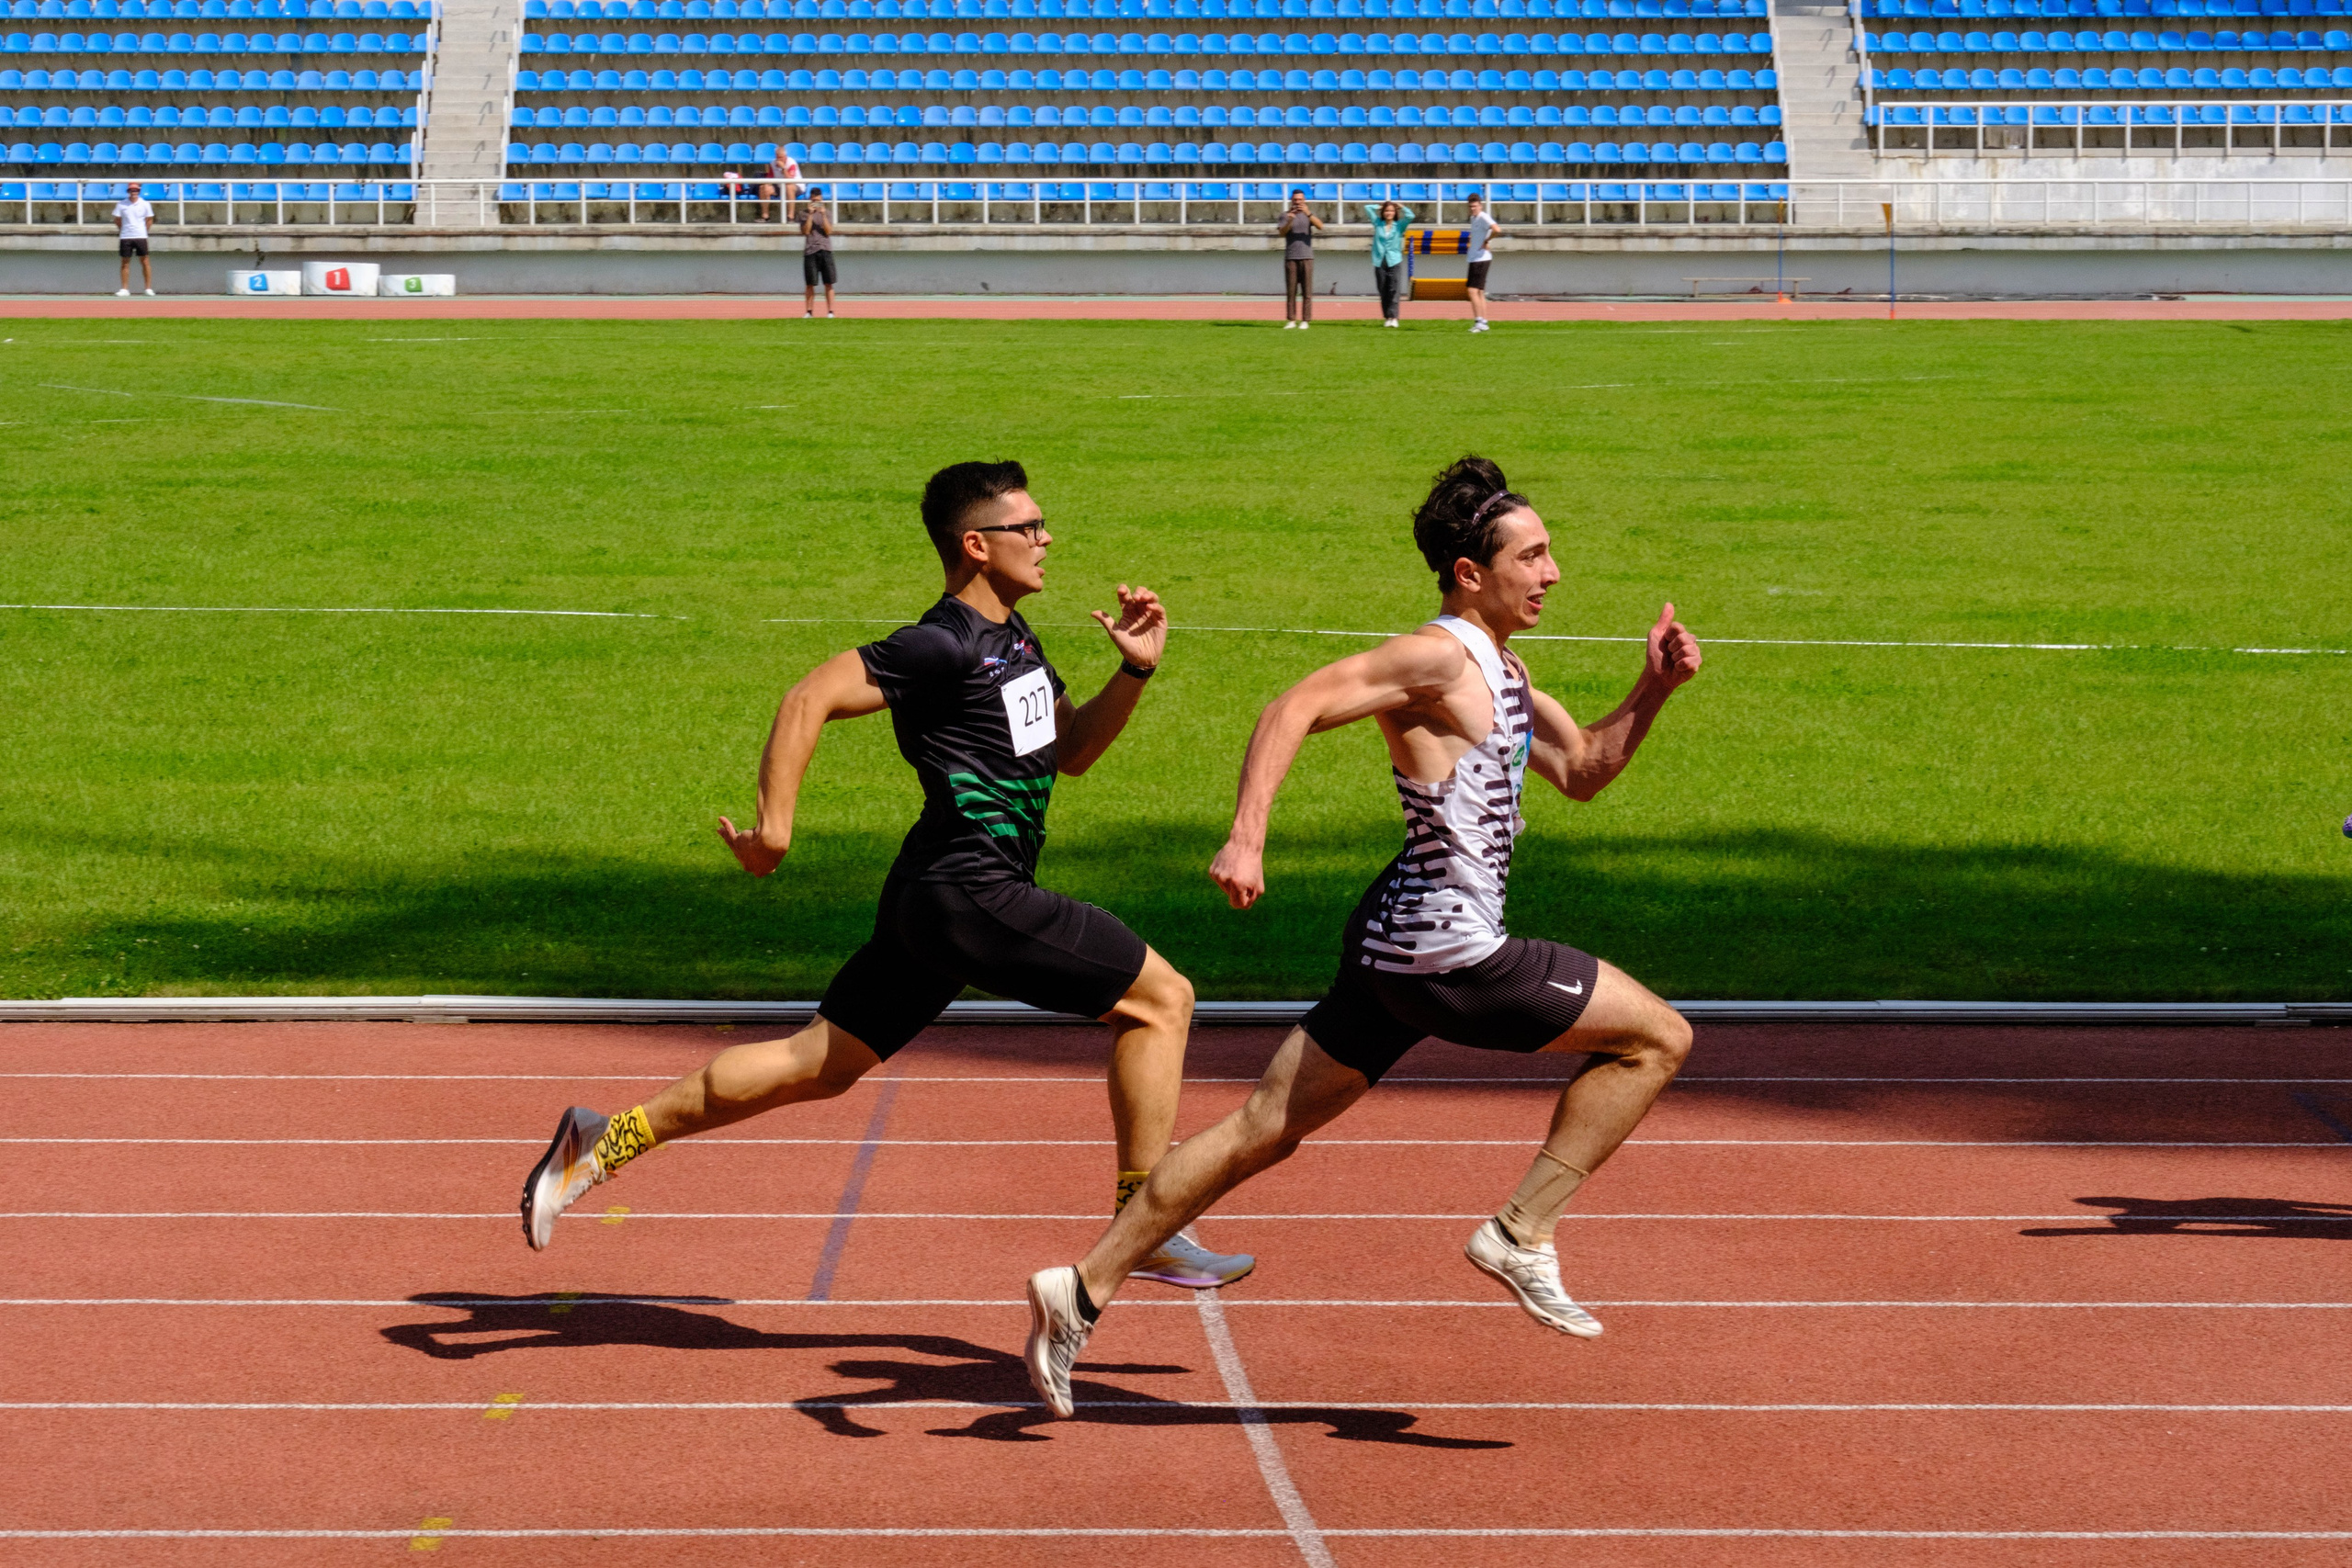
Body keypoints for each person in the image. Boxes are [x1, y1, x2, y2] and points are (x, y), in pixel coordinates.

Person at [1021, 455, 1704, 1416]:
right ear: (1470, 573)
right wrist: (1246, 836)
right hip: (1448, 950)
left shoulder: (1503, 669)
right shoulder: (1435, 657)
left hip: (1391, 950)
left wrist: (1654, 687)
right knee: (1659, 1038)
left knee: (1264, 1128)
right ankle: (1520, 1232)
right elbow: (1292, 705)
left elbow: (1584, 767)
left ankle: (1079, 1289)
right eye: (1533, 555)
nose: (1552, 574)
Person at [520, 461, 1254, 1295]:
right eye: (1031, 528)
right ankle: (1145, 1220)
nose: (1048, 540)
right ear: (977, 545)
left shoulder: (1016, 642)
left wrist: (1134, 672)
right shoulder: (938, 641)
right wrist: (775, 831)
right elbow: (810, 696)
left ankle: (600, 1140)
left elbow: (1072, 753)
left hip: (932, 898)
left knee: (819, 1062)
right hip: (971, 889)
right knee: (1163, 998)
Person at [1363, 197, 1416, 328]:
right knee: (1383, 288)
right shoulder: (1378, 223)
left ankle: (1394, 317)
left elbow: (1411, 215)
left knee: (1394, 288)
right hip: (1379, 260)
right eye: (1387, 211)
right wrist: (1379, 206)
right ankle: (1387, 316)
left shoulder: (1399, 226)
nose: (1389, 213)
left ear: (1395, 212)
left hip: (1394, 259)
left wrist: (1401, 206)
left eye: (1391, 211)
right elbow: (1367, 208)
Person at [1275, 189, 1323, 330]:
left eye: (1300, 200)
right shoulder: (1285, 215)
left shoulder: (1309, 215)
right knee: (1291, 291)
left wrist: (1308, 213)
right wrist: (1290, 220)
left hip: (1307, 257)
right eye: (1295, 200)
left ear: (1304, 200)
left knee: (1307, 291)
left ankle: (1305, 320)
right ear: (1291, 200)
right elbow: (1282, 233)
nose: (1298, 202)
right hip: (1291, 257)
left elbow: (1320, 226)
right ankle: (1291, 320)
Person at [1464, 191, 1502, 333]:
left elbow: (1497, 229)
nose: (1473, 209)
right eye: (1471, 207)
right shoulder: (1474, 218)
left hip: (1481, 258)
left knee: (1472, 291)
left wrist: (1487, 240)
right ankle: (1483, 321)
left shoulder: (1483, 217)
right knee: (1479, 292)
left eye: (1475, 206)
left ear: (1480, 205)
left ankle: (1479, 321)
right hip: (1474, 257)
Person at [113, 182, 154, 297]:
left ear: (139, 191)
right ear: (128, 192)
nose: (133, 192)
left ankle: (148, 288)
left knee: (145, 261)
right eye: (131, 190)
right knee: (125, 262)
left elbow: (149, 219)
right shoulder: (121, 204)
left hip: (141, 236)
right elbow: (117, 220)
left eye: (135, 190)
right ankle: (124, 289)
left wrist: (144, 231)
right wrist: (124, 229)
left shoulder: (145, 204)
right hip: (126, 236)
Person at [800, 186, 836, 318]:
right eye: (813, 200)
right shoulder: (803, 214)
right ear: (810, 199)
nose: (816, 203)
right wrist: (810, 214)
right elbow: (806, 231)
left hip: (825, 249)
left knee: (829, 283)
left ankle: (831, 311)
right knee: (810, 283)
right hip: (810, 250)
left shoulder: (828, 213)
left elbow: (828, 231)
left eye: (818, 200)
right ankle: (809, 311)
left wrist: (823, 215)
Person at [760, 146, 802, 224]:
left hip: (796, 186)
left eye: (781, 157)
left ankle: (790, 217)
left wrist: (783, 168)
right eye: (777, 157)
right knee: (763, 187)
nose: (779, 160)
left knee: (789, 186)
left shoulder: (791, 163)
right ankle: (765, 216)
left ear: (785, 156)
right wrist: (767, 185)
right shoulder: (773, 163)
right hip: (780, 186)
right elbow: (770, 177)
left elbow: (790, 180)